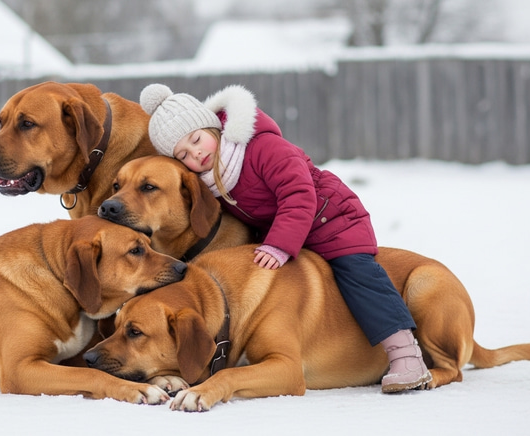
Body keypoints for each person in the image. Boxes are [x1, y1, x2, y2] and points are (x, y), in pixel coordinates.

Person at [139, 83, 431, 393]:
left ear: (213, 128)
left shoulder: (263, 148)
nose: (196, 153)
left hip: (334, 221)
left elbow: (299, 194)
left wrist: (279, 243)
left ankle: (405, 355)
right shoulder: (214, 180)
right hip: (296, 234)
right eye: (183, 153)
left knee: (358, 275)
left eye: (197, 139)